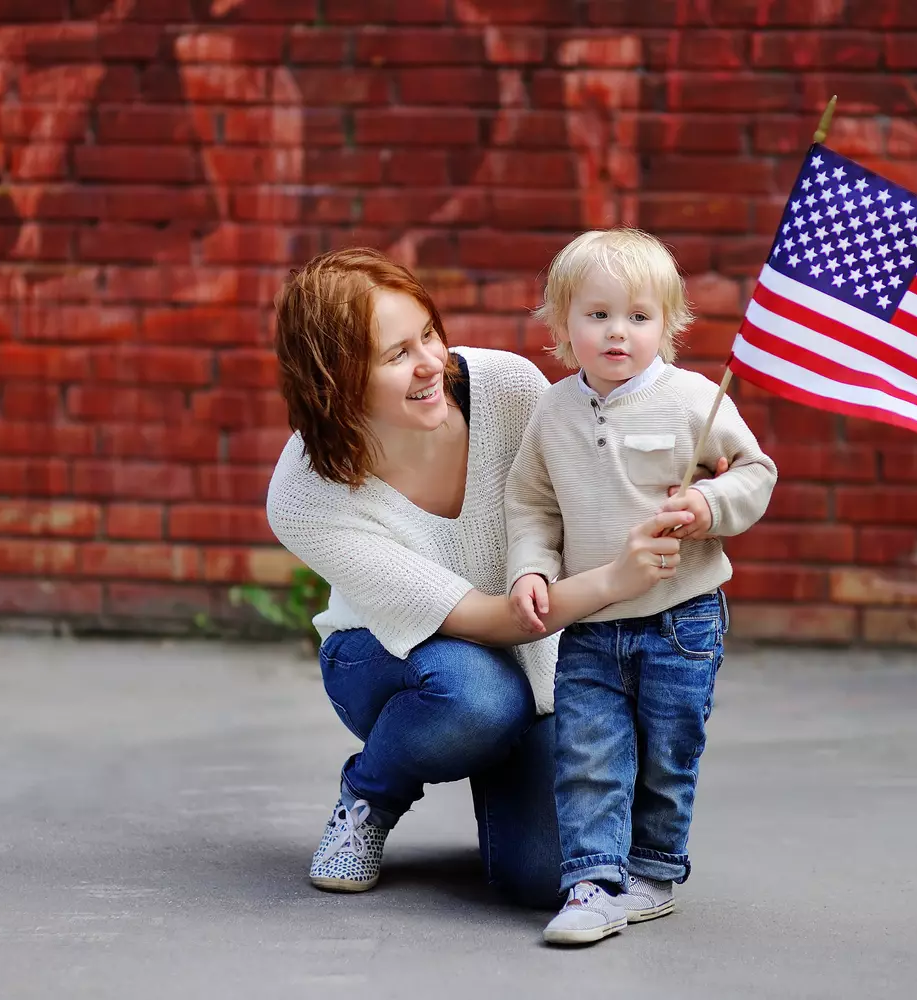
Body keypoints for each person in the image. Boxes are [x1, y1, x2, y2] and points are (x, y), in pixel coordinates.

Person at [264, 247, 727, 907]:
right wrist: (614, 582)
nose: (431, 363)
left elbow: (586, 498)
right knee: (477, 697)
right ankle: (369, 795)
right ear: (334, 378)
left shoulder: (508, 387)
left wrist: (678, 494)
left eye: (428, 332)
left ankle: (507, 776)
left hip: (536, 659)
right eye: (396, 355)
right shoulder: (306, 495)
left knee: (551, 878)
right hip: (389, 660)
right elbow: (484, 618)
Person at [504, 228, 778, 944]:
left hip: (681, 621)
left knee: (667, 749)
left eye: (638, 317)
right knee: (588, 751)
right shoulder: (554, 412)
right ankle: (592, 882)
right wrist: (530, 568)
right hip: (593, 622)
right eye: (596, 315)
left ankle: (653, 871)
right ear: (563, 325)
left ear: (669, 324)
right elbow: (531, 505)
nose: (617, 333)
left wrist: (709, 506)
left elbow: (756, 473)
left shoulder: (693, 401)